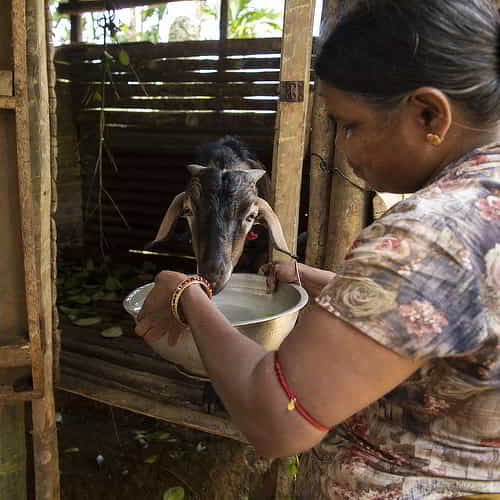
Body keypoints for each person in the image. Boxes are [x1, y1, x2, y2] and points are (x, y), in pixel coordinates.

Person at [135, 0, 500, 498]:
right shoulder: (485, 199)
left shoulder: (432, 231)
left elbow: (279, 420)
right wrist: (310, 277)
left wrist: (186, 296)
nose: (344, 150)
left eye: (349, 125)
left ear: (428, 113)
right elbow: (450, 317)